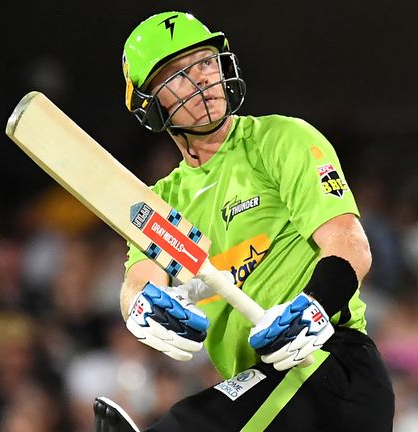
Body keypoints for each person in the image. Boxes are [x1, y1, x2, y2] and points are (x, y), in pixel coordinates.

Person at [96, 11, 394, 431]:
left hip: (326, 367)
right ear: (151, 105)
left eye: (204, 61)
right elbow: (141, 278)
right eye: (178, 74)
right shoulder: (162, 202)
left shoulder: (280, 140)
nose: (200, 77)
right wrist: (141, 306)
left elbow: (349, 243)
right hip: (261, 388)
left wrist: (314, 307)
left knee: (187, 425)